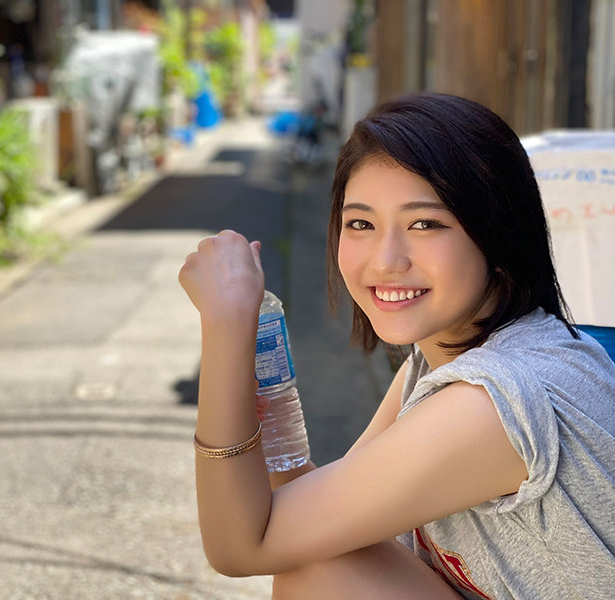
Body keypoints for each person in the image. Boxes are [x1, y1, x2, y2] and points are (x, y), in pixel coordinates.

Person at [177, 93, 615, 599]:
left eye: (425, 224)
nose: (386, 260)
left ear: (498, 236)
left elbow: (241, 547)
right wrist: (262, 368)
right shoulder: (442, 359)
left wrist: (226, 328)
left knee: (319, 573)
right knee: (320, 562)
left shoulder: (493, 402)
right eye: (360, 223)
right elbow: (300, 519)